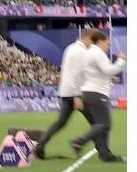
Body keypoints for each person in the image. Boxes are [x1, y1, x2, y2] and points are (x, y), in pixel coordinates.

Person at [34, 28, 95, 159]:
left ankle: (40, 145)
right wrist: (77, 95)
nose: (93, 44)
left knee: (60, 122)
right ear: (88, 38)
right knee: (98, 123)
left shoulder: (70, 48)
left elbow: (69, 71)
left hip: (66, 91)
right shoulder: (81, 51)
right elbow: (77, 74)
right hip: (76, 93)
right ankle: (87, 146)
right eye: (93, 41)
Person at [70, 31, 125, 162]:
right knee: (104, 124)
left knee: (99, 125)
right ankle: (79, 142)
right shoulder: (97, 53)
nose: (108, 46)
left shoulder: (89, 53)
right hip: (97, 93)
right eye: (107, 43)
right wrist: (121, 61)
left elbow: (94, 73)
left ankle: (105, 154)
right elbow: (108, 69)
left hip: (88, 92)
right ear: (100, 41)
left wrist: (108, 78)